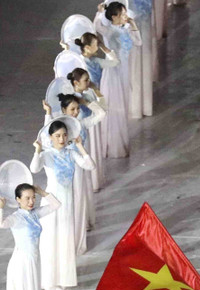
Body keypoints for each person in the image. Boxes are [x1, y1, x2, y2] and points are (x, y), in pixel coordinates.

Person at [30, 120, 95, 290]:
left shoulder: (71, 153)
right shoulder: (47, 155)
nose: (61, 139)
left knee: (65, 238)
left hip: (67, 202)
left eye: (64, 135)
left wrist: (80, 147)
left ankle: (63, 279)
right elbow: (34, 168)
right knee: (51, 240)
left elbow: (90, 165)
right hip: (52, 202)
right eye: (57, 135)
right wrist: (37, 150)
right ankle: (49, 283)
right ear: (50, 137)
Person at [44, 93, 105, 254]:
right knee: (68, 206)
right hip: (65, 173)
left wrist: (88, 103)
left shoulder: (82, 124)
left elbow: (101, 114)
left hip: (79, 169)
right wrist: (48, 113)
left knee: (79, 203)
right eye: (72, 109)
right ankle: (64, 242)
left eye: (78, 108)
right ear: (64, 110)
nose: (76, 112)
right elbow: (46, 136)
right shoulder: (60, 126)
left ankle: (77, 240)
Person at [76, 31, 128, 158]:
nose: (98, 47)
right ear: (87, 48)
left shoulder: (96, 61)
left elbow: (115, 62)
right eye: (96, 45)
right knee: (88, 134)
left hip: (96, 99)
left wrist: (104, 47)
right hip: (84, 102)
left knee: (96, 133)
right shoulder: (79, 62)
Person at [95, 3, 142, 142]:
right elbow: (96, 26)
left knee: (124, 100)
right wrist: (100, 12)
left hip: (124, 69)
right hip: (113, 70)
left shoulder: (126, 29)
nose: (125, 17)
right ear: (114, 16)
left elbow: (138, 42)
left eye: (125, 13)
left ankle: (121, 135)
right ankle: (112, 138)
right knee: (115, 103)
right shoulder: (109, 31)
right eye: (122, 14)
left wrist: (133, 25)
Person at [67, 65, 108, 195]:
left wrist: (95, 91)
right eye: (86, 80)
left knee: (84, 172)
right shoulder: (69, 99)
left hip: (85, 132)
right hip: (72, 138)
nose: (88, 82)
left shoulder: (88, 95)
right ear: (76, 83)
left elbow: (103, 108)